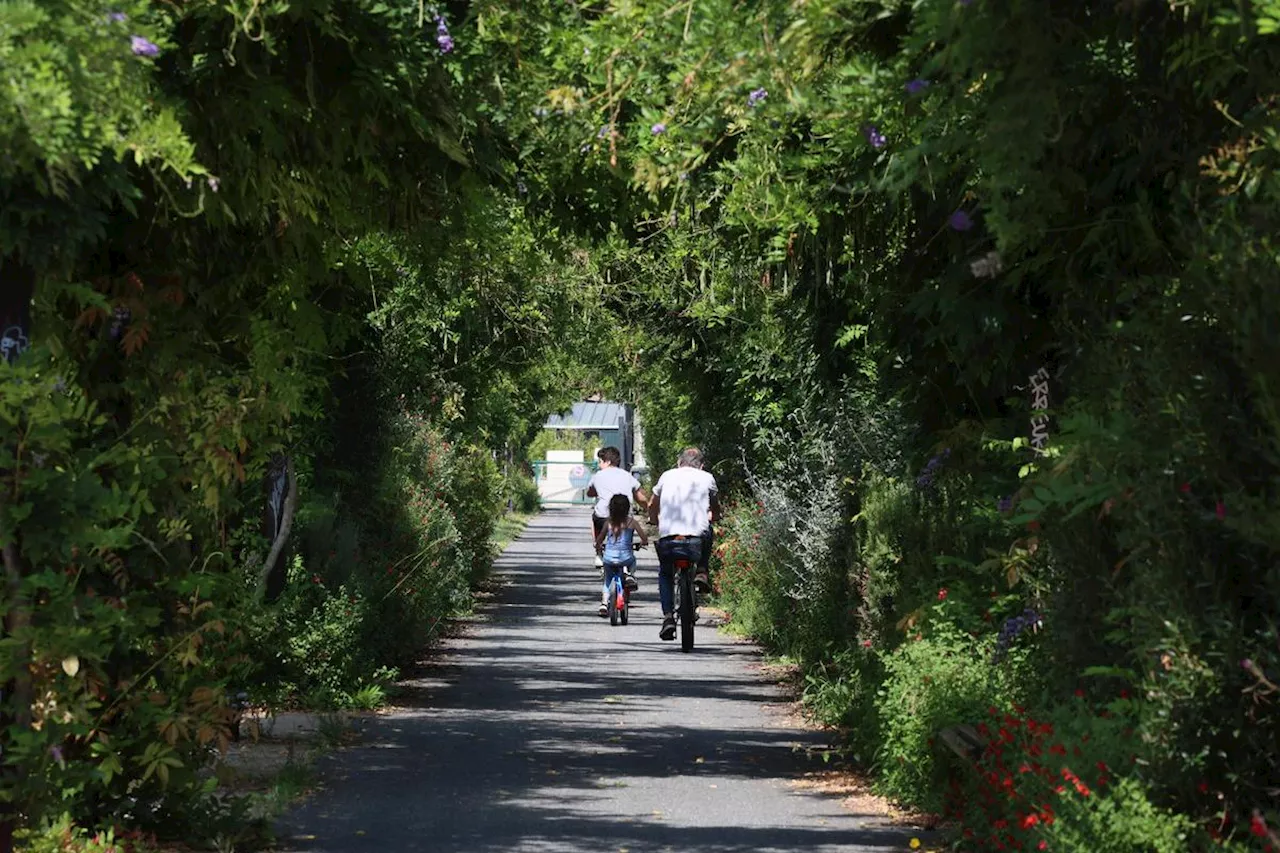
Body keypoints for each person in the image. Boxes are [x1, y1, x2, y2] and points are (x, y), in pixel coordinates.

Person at [647, 447, 719, 641]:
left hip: (670, 537)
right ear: (701, 465)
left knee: (665, 572)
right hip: (697, 538)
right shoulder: (707, 478)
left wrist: (654, 520)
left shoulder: (666, 476)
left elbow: (652, 504)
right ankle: (702, 570)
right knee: (709, 529)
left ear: (679, 463)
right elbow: (715, 506)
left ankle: (668, 616)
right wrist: (717, 516)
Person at [586, 446, 648, 583]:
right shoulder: (627, 476)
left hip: (603, 517)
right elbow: (641, 497)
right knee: (628, 534)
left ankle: (598, 551)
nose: (599, 465)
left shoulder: (597, 476)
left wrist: (599, 490)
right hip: (624, 517)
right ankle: (628, 570)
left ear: (607, 462)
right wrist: (647, 509)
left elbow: (589, 492)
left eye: (600, 462)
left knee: (594, 517)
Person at [594, 494, 649, 617]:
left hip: (608, 558)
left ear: (611, 508)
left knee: (607, 580)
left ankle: (603, 603)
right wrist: (642, 543)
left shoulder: (608, 522)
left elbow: (600, 539)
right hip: (626, 558)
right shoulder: (631, 522)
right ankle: (630, 574)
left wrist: (598, 545)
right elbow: (644, 538)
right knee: (632, 561)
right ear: (627, 508)